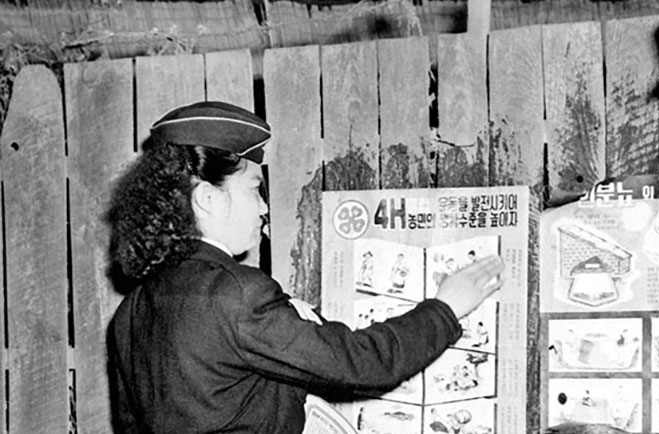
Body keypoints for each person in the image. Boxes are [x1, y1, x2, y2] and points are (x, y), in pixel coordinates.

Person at [106, 101, 505, 433]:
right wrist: (445, 308)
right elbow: (363, 364)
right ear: (207, 198)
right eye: (253, 189)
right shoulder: (237, 294)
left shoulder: (131, 312)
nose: (264, 208)